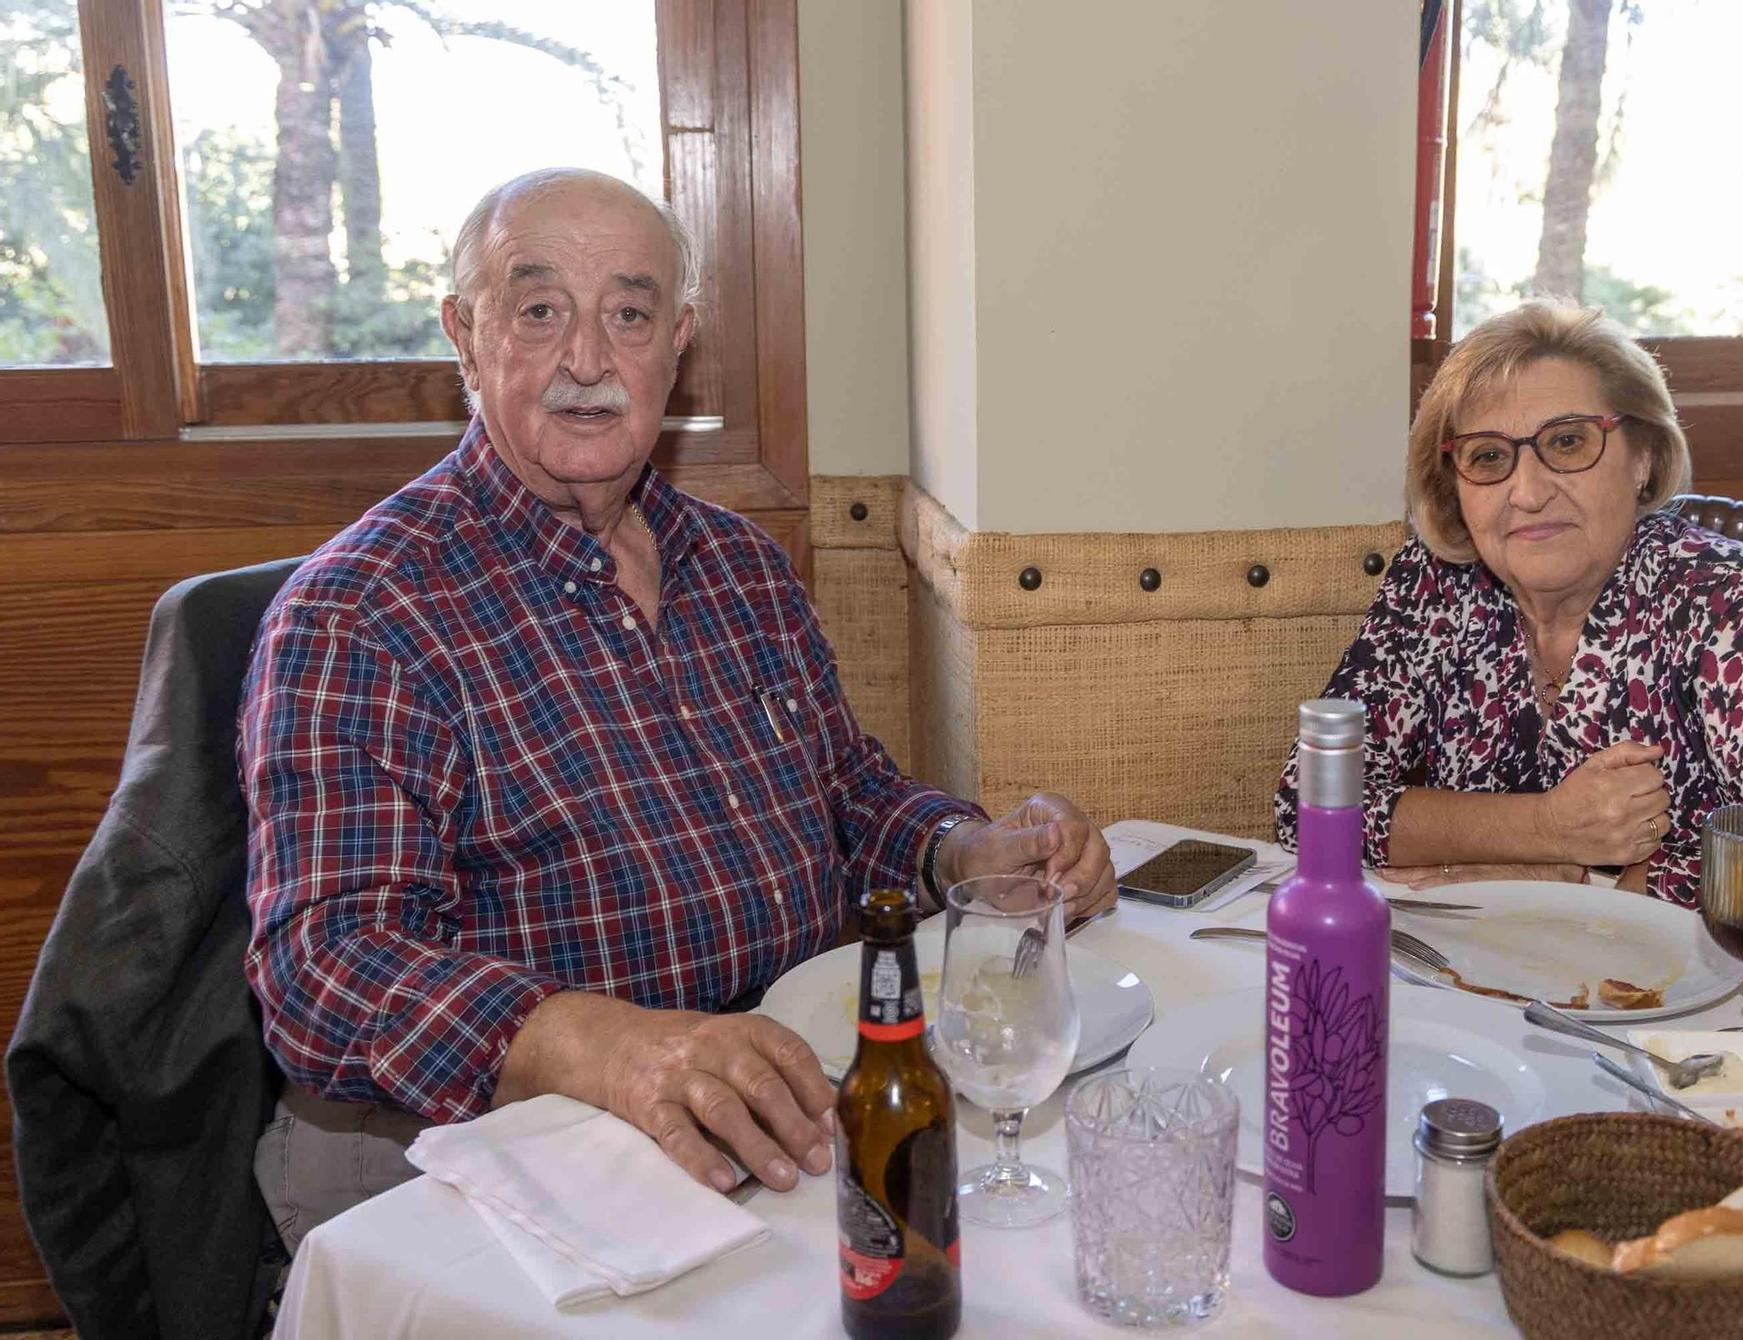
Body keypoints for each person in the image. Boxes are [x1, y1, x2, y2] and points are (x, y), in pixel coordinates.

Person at [239, 168, 1116, 1246]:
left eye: (629, 312)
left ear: (677, 342)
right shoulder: (360, 613)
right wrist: (605, 1046)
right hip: (485, 1156)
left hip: (771, 1102)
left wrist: (962, 851)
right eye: (539, 308)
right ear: (464, 335)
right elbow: (324, 963)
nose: (588, 359)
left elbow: (844, 791)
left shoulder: (738, 564)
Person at [1274, 298, 1743, 957]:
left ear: (1644, 457)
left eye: (1568, 442)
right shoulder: (1432, 582)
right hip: (1481, 977)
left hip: (1669, 1004)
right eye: (1488, 458)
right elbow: (1309, 806)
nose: (1528, 491)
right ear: (1454, 485)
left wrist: (1579, 881)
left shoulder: (1719, 596)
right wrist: (1548, 829)